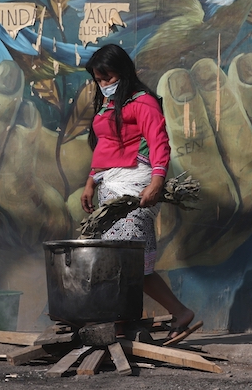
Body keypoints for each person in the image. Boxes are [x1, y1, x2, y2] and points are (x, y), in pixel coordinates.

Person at [80, 44, 199, 342]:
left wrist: (158, 181)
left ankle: (144, 317)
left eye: (107, 77)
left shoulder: (143, 101)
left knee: (130, 262)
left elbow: (159, 141)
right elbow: (105, 147)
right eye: (98, 79)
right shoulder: (109, 106)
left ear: (122, 71)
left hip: (136, 184)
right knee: (121, 262)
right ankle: (128, 321)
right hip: (110, 187)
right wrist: (91, 181)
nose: (103, 85)